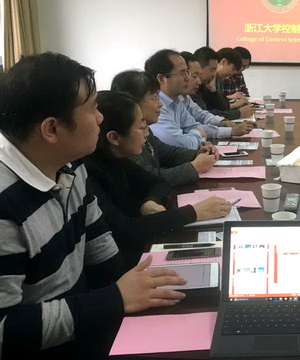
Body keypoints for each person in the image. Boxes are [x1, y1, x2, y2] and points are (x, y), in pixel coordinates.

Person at [0, 53, 186, 358]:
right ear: (51, 129)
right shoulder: (5, 203)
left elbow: (101, 247)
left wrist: (138, 288)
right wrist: (116, 299)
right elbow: (5, 330)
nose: (100, 118)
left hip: (86, 325)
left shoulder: (72, 167)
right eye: (92, 108)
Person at [85, 91, 232, 268]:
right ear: (114, 137)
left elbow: (157, 182)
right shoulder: (88, 173)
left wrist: (151, 201)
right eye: (141, 127)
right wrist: (193, 212)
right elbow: (124, 230)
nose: (146, 134)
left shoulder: (117, 158)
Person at [111, 70, 219, 186]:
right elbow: (150, 179)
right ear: (131, 103)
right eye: (155, 98)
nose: (160, 104)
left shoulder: (146, 129)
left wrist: (197, 153)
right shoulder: (126, 138)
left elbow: (168, 153)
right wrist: (195, 166)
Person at [145, 49, 223, 148]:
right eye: (182, 73)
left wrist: (193, 136)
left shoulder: (176, 101)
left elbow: (197, 127)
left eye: (187, 72)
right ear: (161, 79)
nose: (187, 78)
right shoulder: (155, 106)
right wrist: (197, 136)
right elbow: (180, 143)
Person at [180, 51, 253, 137]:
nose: (198, 81)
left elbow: (202, 116)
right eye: (194, 76)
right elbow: (187, 132)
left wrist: (222, 122)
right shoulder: (172, 101)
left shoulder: (186, 98)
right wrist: (232, 128)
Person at [197, 47, 255, 120]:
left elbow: (221, 107)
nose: (233, 73)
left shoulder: (211, 82)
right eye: (212, 70)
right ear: (223, 62)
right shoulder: (198, 86)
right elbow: (205, 115)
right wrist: (238, 112)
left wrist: (213, 90)